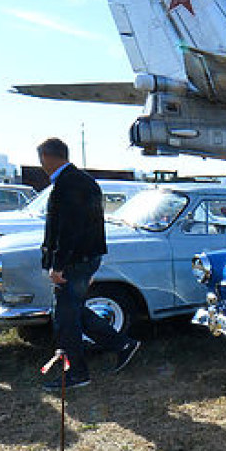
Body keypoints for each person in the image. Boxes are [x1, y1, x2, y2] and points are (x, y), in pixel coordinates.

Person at [36, 137, 140, 391]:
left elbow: (67, 230)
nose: (41, 165)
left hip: (74, 261)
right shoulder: (81, 181)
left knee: (65, 319)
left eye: (41, 160)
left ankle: (77, 374)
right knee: (73, 310)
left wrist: (58, 265)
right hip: (83, 260)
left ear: (49, 157)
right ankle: (122, 344)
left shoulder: (68, 184)